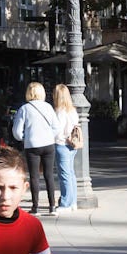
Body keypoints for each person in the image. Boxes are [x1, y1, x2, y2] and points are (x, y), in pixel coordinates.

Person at [11, 81, 60, 215]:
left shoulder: (24, 109)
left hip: (32, 145)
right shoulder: (48, 107)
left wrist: (24, 137)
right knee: (49, 175)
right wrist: (50, 136)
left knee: (34, 176)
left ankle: (36, 207)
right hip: (49, 144)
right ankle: (52, 207)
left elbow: (16, 132)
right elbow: (57, 127)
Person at [52, 83, 82, 213]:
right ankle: (73, 201)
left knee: (64, 175)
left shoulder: (60, 112)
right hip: (72, 145)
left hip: (62, 144)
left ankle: (65, 203)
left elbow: (58, 131)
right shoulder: (72, 110)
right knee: (71, 174)